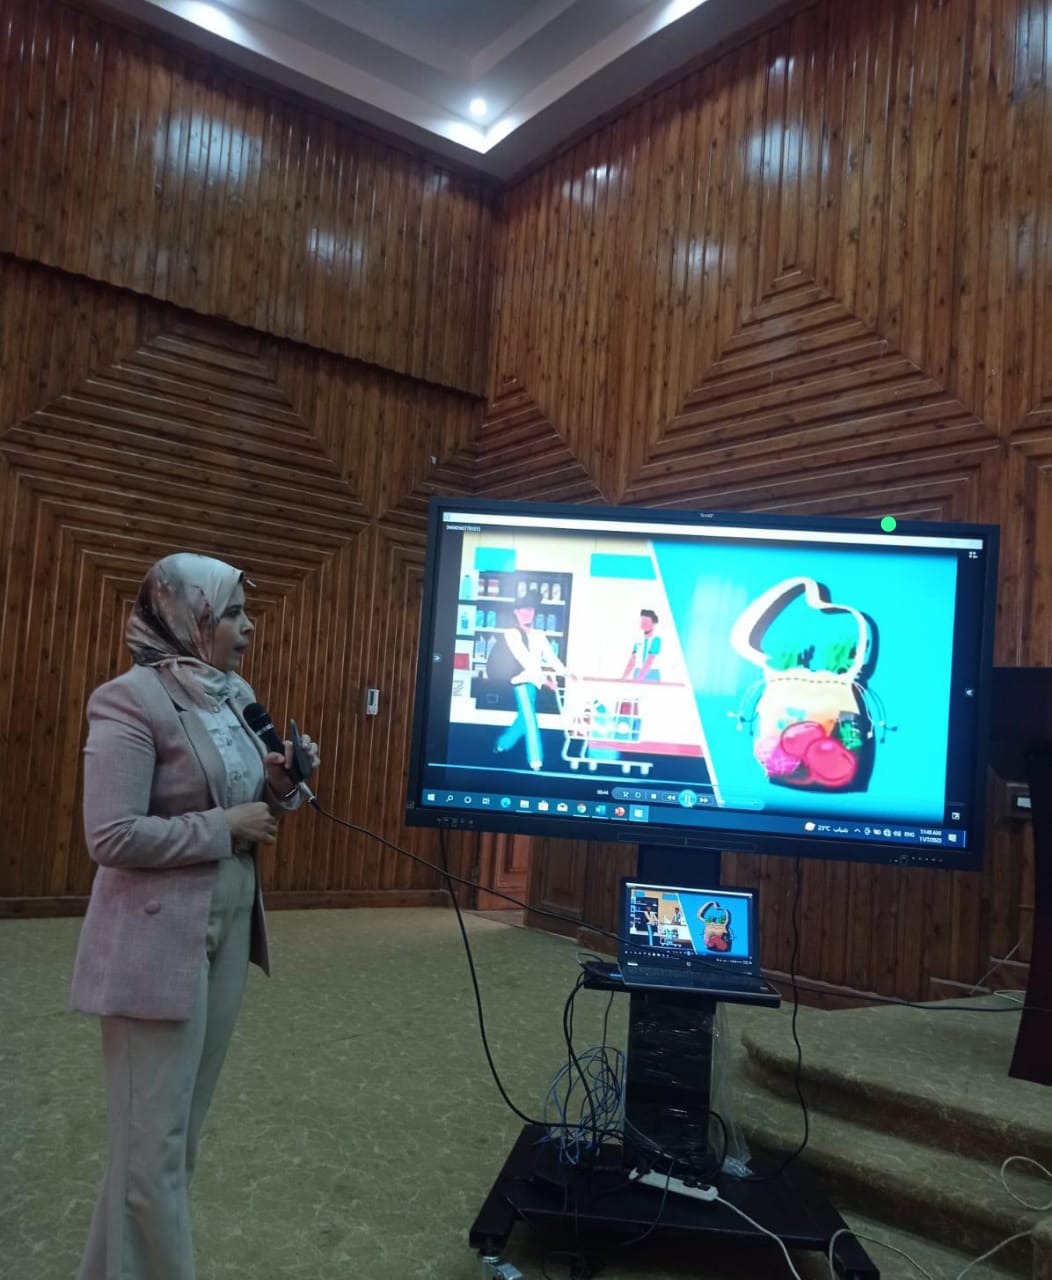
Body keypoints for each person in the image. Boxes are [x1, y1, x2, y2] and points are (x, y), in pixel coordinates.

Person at [71, 552, 320, 1280]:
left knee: (171, 1142)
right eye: (235, 613)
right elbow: (110, 835)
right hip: (154, 940)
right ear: (193, 618)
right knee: (150, 1149)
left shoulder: (232, 695)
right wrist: (222, 827)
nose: (250, 627)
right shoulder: (128, 701)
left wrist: (281, 786)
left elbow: (252, 805)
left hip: (227, 926)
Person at [493, 593, 569, 771]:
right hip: (519, 681)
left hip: (533, 682)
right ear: (516, 612)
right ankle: (536, 760)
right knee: (530, 720)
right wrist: (545, 681)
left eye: (531, 610)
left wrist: (566, 673)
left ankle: (502, 744)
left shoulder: (539, 635)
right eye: (523, 610)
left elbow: (551, 657)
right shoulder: (511, 634)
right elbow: (525, 659)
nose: (527, 614)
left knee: (523, 720)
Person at [622, 609, 662, 681]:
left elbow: (649, 661)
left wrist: (639, 679)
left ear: (653, 623)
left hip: (652, 674)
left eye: (646, 621)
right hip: (637, 672)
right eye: (642, 621)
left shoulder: (656, 639)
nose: (643, 624)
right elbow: (632, 660)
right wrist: (623, 677)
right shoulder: (638, 639)